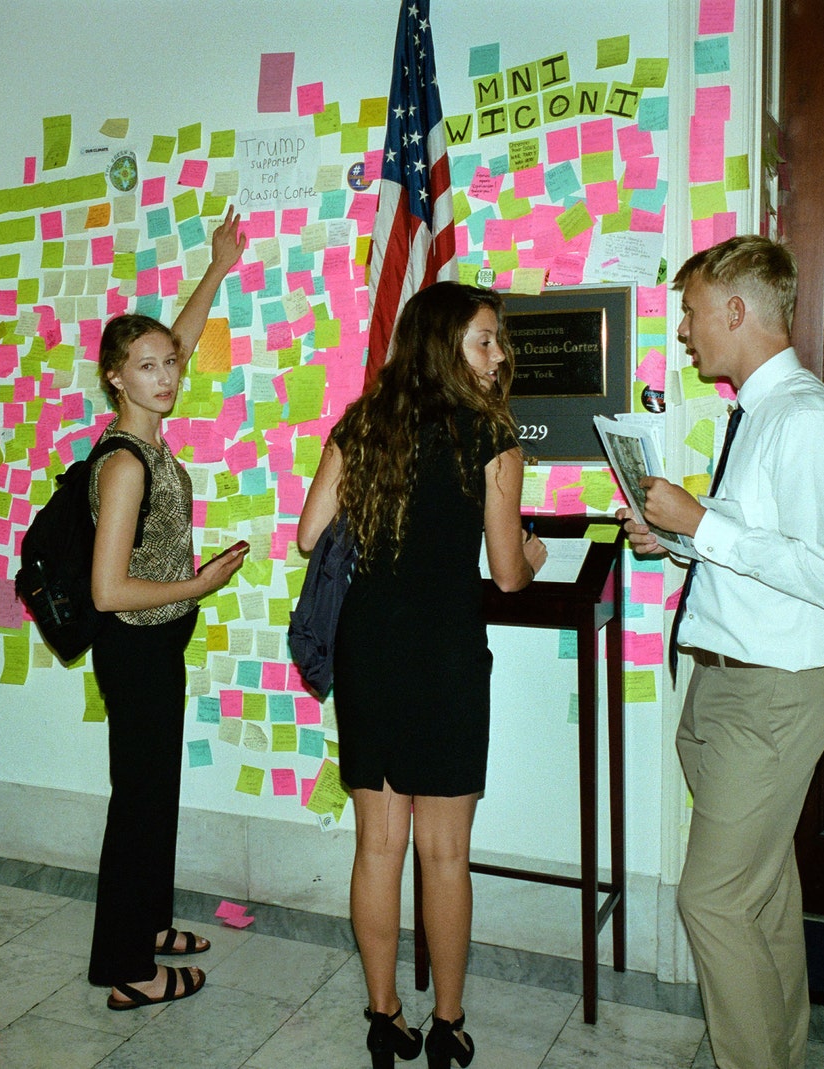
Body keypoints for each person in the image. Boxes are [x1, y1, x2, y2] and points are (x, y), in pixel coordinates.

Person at [618, 235, 824, 1069]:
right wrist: (679, 543)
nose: (686, 332)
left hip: (771, 697)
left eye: (692, 312)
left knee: (713, 901)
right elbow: (768, 553)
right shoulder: (760, 414)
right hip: (730, 691)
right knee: (760, 897)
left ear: (735, 309)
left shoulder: (807, 420)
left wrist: (700, 523)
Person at [298, 281, 547, 1069]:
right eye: (484, 340)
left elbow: (310, 535)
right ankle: (446, 1025)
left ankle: (383, 1018)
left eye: (497, 342)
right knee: (444, 855)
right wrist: (535, 552)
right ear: (444, 344)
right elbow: (507, 575)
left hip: (368, 656)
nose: (498, 355)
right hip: (443, 660)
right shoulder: (491, 438)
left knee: (378, 847)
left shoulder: (363, 422)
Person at [85, 208, 250, 1010]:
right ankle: (128, 969)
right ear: (116, 377)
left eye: (169, 365)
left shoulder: (150, 440)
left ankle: (148, 924)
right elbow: (107, 591)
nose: (167, 375)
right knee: (138, 801)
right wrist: (201, 582)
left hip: (158, 644)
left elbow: (178, 337)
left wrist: (216, 268)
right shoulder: (123, 463)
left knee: (155, 795)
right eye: (147, 366)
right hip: (136, 643)